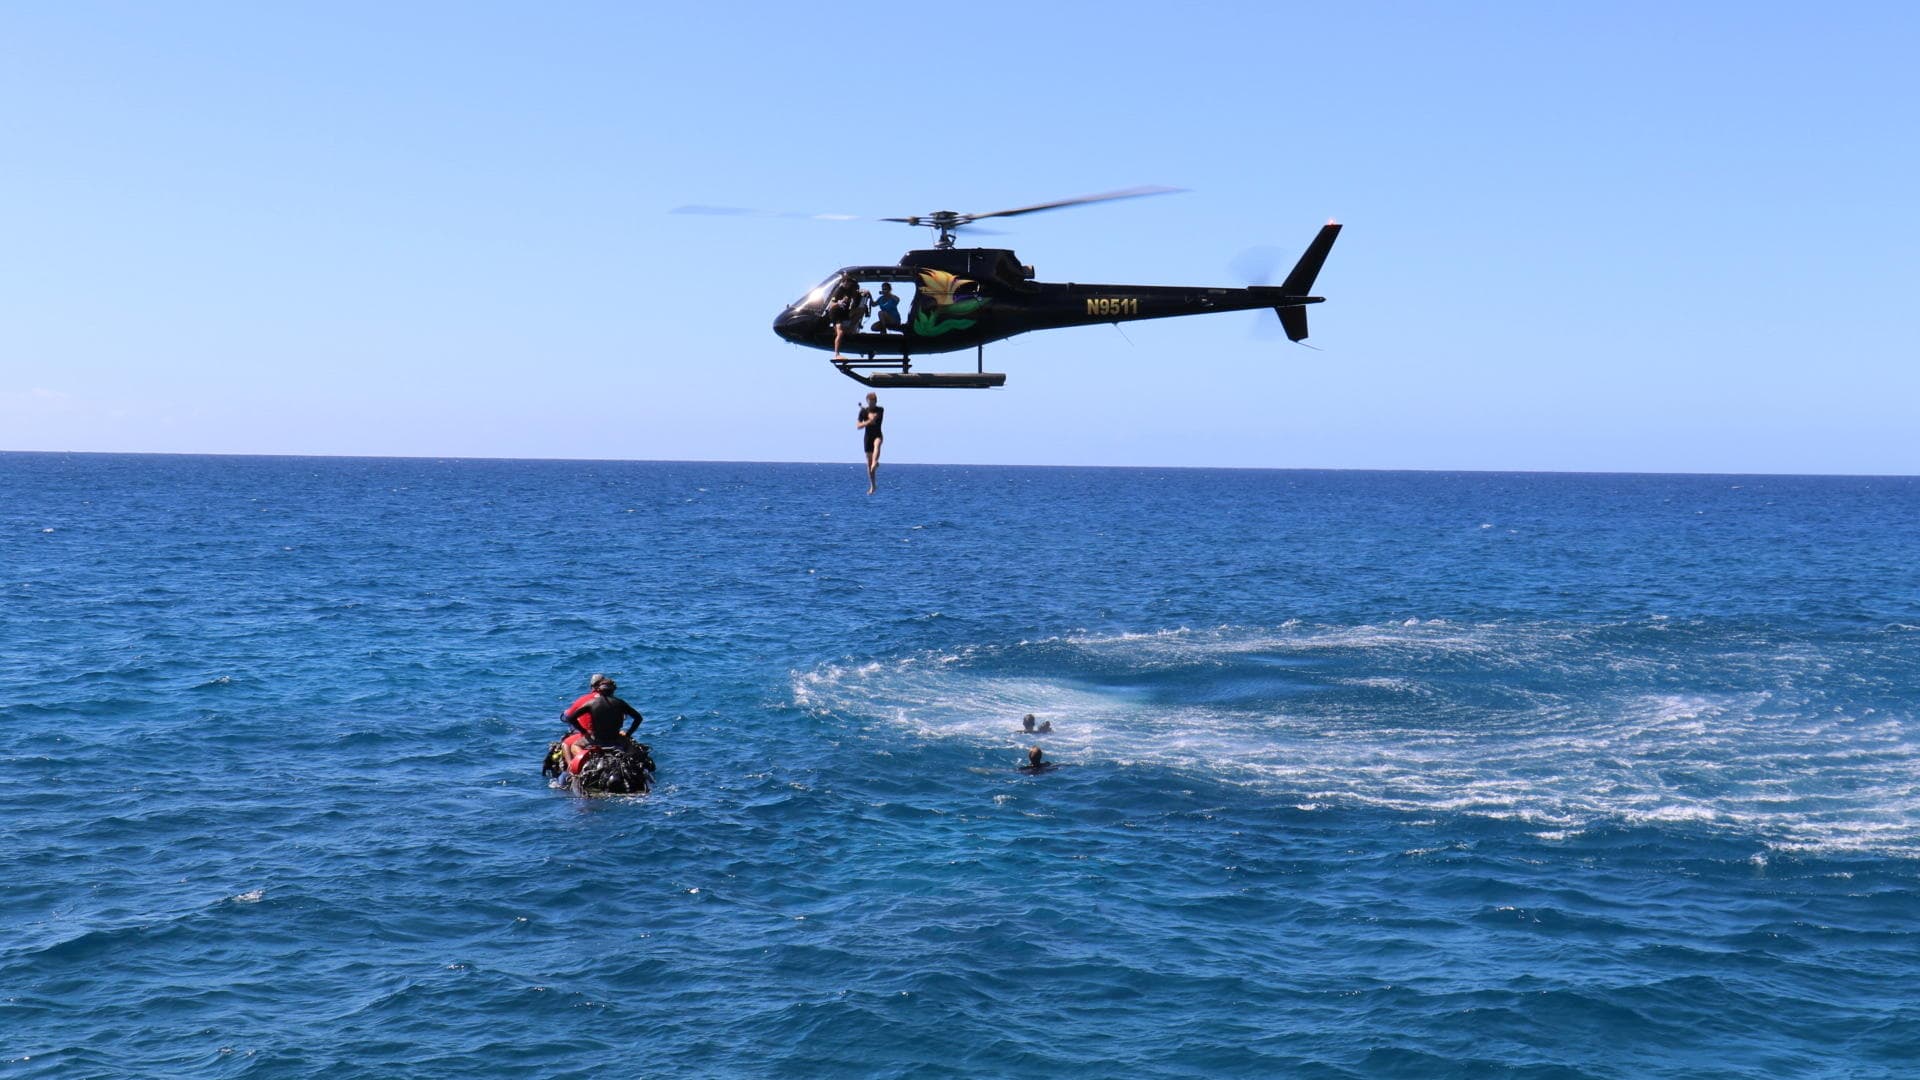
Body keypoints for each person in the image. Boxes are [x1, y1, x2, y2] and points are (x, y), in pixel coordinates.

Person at [563, 675, 644, 745]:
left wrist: (583, 731)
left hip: (596, 739)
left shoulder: (591, 703)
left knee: (576, 746)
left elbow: (571, 718)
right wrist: (628, 734)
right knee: (632, 749)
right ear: (613, 690)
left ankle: (571, 763)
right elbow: (638, 718)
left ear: (599, 690)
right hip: (615, 738)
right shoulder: (620, 703)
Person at [827, 275, 863, 359]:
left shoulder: (850, 291)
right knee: (840, 333)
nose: (847, 283)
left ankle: (850, 331)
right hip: (836, 314)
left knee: (861, 310)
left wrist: (865, 292)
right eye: (846, 282)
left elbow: (857, 293)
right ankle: (837, 354)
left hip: (844, 314)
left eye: (849, 282)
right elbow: (831, 305)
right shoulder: (839, 291)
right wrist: (840, 302)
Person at [856, 392, 884, 494]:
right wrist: (867, 422)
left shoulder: (880, 409)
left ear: (876, 402)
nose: (871, 404)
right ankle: (873, 486)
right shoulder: (863, 412)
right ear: (867, 402)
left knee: (877, 444)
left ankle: (875, 462)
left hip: (877, 435)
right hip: (867, 437)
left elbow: (875, 416)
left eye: (873, 402)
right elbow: (858, 426)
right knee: (869, 464)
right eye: (869, 402)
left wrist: (871, 418)